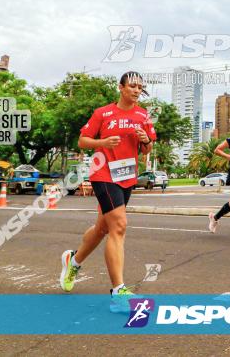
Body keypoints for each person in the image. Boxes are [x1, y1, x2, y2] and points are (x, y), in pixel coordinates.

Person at [60, 72, 156, 313]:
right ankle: (118, 293)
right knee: (119, 226)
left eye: (140, 87)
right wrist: (102, 143)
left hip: (127, 176)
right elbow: (83, 141)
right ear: (121, 87)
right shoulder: (103, 113)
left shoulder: (143, 115)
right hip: (103, 174)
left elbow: (148, 148)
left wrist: (145, 140)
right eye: (132, 86)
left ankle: (74, 260)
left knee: (103, 227)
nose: (136, 90)